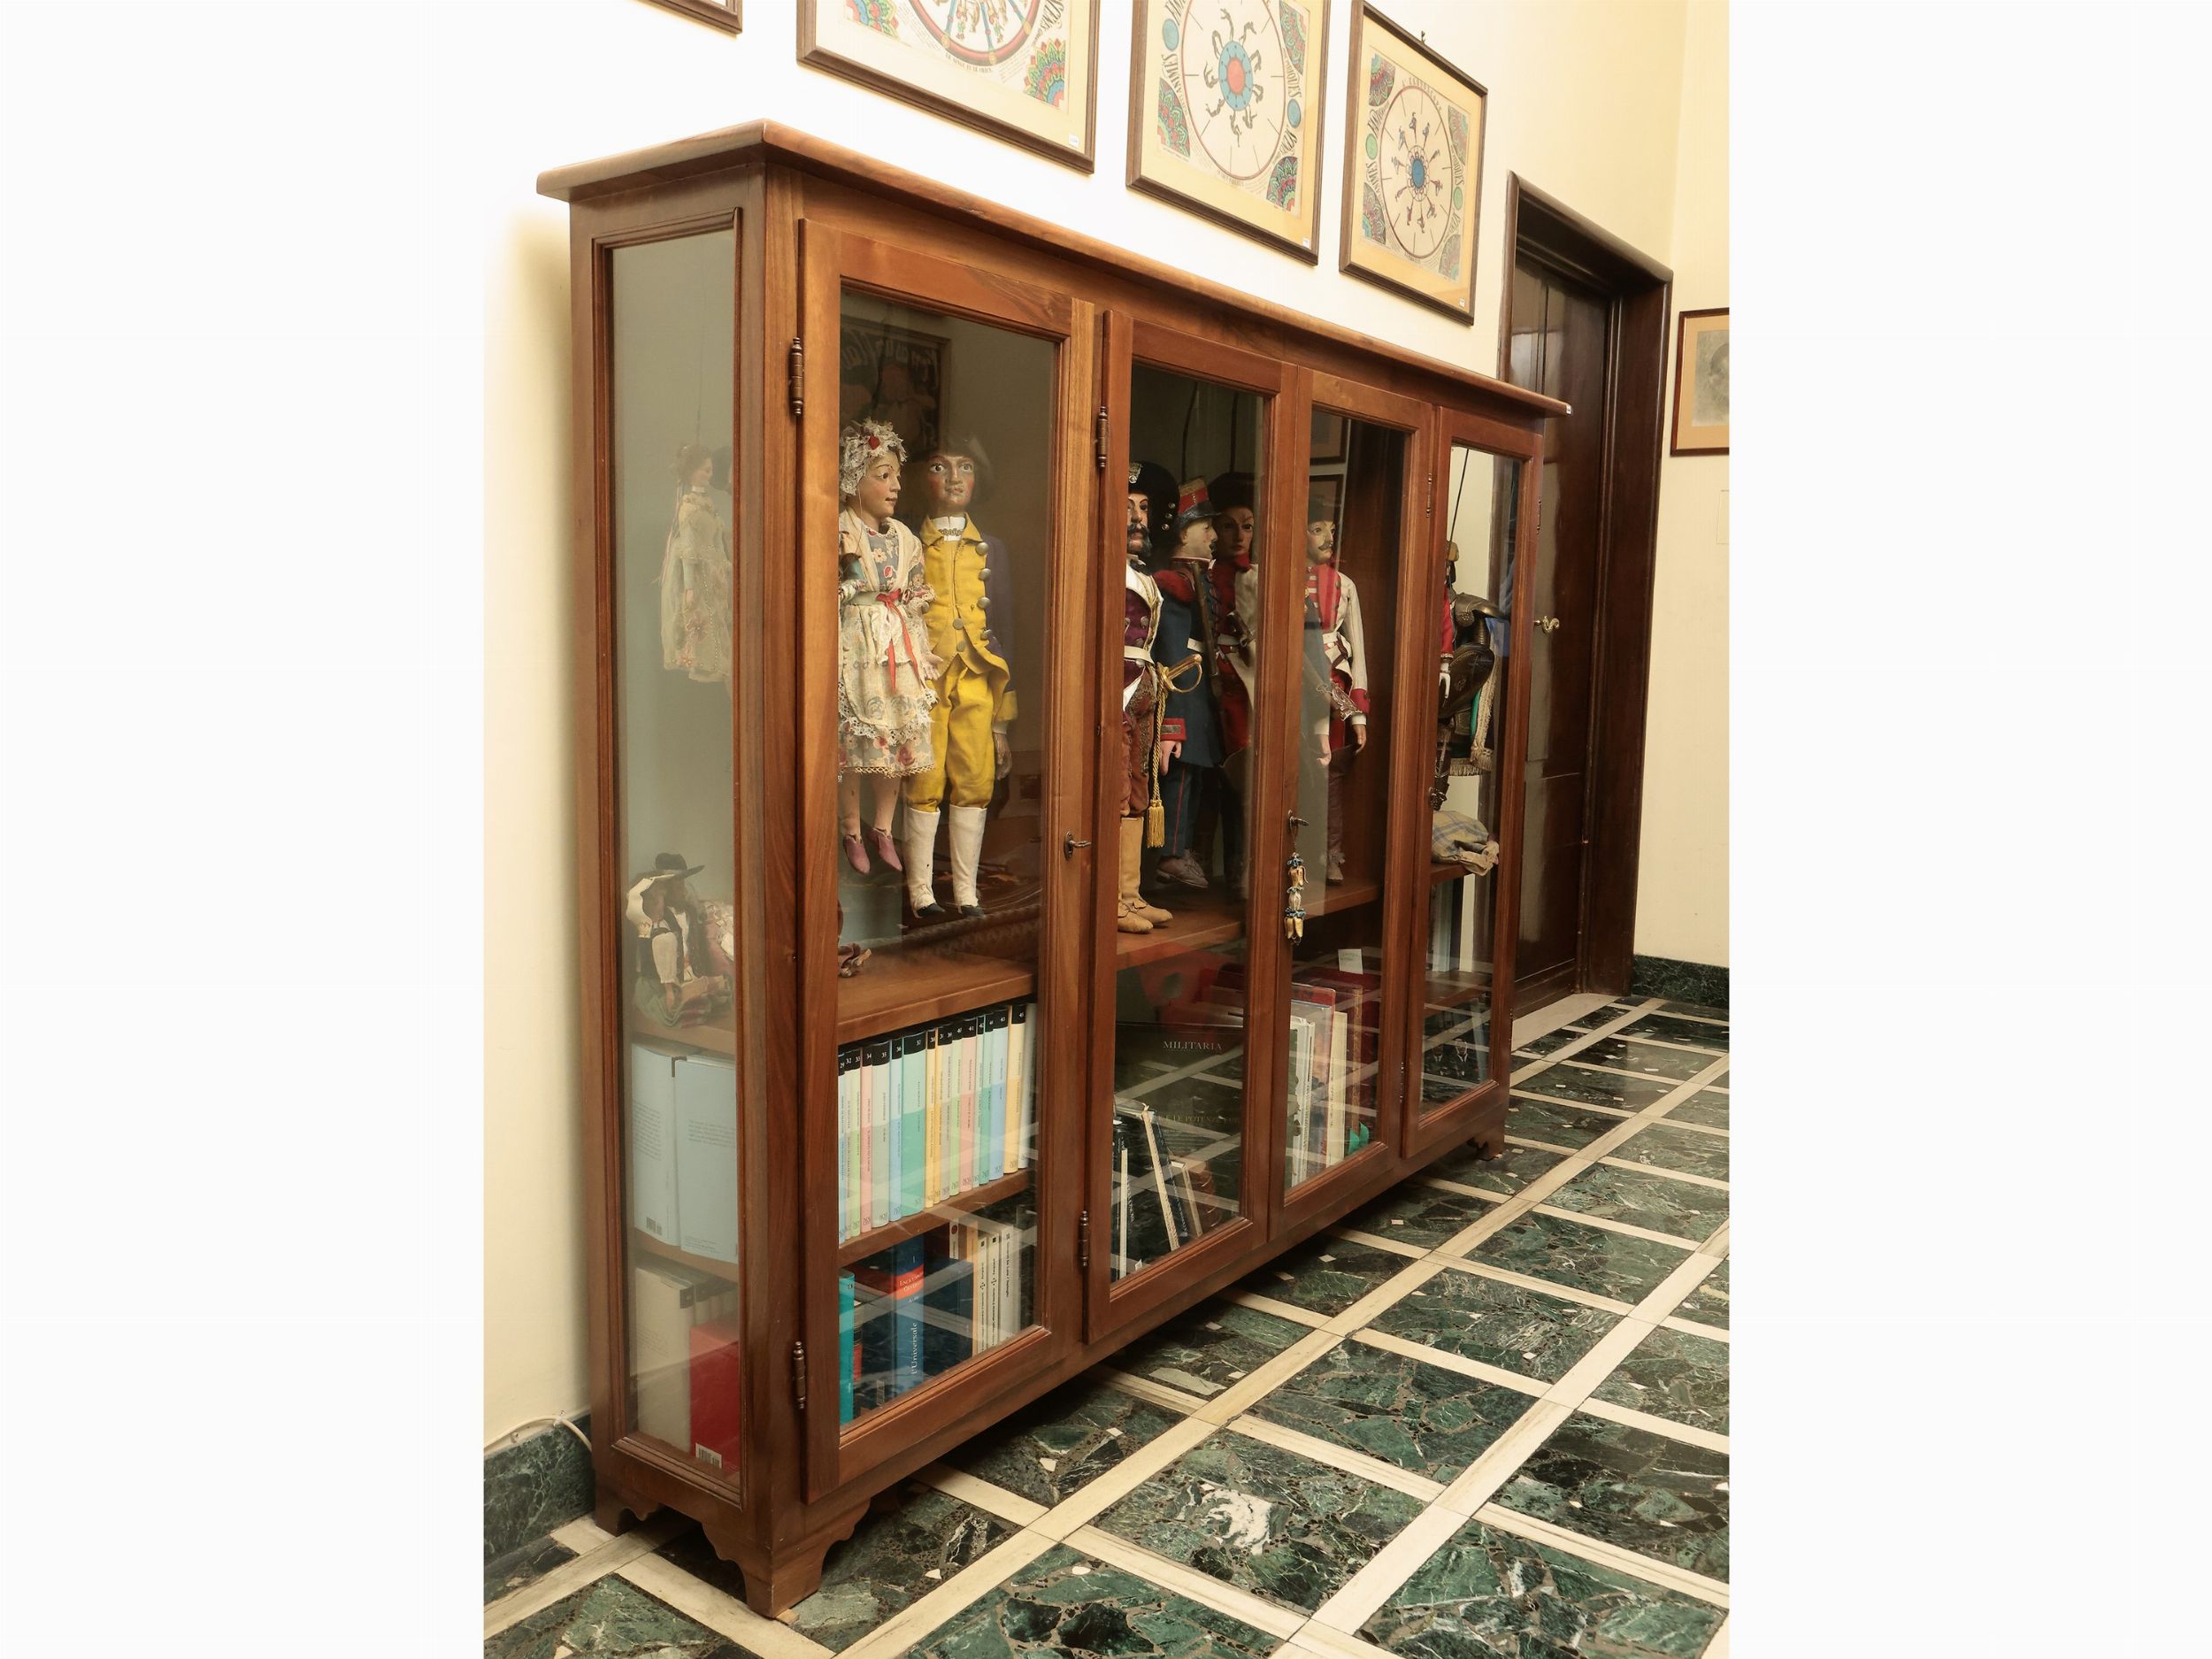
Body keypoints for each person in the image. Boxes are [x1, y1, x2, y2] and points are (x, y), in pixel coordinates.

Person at [900, 436, 1017, 919]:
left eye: (965, 467)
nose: (953, 478)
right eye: (939, 467)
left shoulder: (993, 549)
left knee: (975, 779)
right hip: (923, 680)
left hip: (979, 677)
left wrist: (1002, 723)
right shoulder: (906, 542)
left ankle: (967, 893)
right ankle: (920, 894)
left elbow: (1005, 625)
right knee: (923, 779)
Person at [835, 419, 939, 875]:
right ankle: (851, 828)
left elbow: (915, 590)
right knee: (855, 740)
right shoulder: (841, 529)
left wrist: (919, 638)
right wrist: (848, 589)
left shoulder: (903, 536)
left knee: (898, 734)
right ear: (854, 479)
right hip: (855, 644)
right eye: (884, 475)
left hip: (896, 640)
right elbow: (831, 585)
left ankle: (883, 826)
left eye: (897, 476)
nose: (896, 486)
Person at [1150, 479, 1226, 890]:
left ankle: (1181, 848)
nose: (1214, 535)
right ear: (1183, 534)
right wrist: (1173, 724)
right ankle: (1171, 852)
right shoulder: (1174, 583)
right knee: (1179, 776)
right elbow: (1173, 655)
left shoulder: (1197, 578)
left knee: (1193, 775)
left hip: (1199, 696)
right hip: (1184, 694)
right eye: (1206, 527)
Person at [1118, 461, 1183, 934]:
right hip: (1116, 691)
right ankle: (1111, 898)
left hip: (1143, 690)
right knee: (1117, 792)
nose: (1137, 518)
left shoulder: (1146, 578)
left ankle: (1129, 893)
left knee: (1139, 789)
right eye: (1127, 508)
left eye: (1142, 508)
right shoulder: (1104, 571)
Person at [1303, 511, 1370, 883]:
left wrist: (1358, 713)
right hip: (1295, 685)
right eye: (1317, 530)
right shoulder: (1280, 577)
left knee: (1331, 773)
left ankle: (1330, 853)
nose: (1328, 538)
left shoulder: (1345, 585)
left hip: (1335, 687)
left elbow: (1359, 651)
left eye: (1331, 530)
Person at [660, 443, 732, 683]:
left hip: (713, 570)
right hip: (699, 571)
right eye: (704, 470)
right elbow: (689, 548)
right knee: (700, 618)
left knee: (716, 616)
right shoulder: (688, 508)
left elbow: (717, 537)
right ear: (691, 473)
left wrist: (725, 564)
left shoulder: (708, 505)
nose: (709, 475)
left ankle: (716, 664)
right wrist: (689, 586)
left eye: (710, 470)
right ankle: (702, 665)